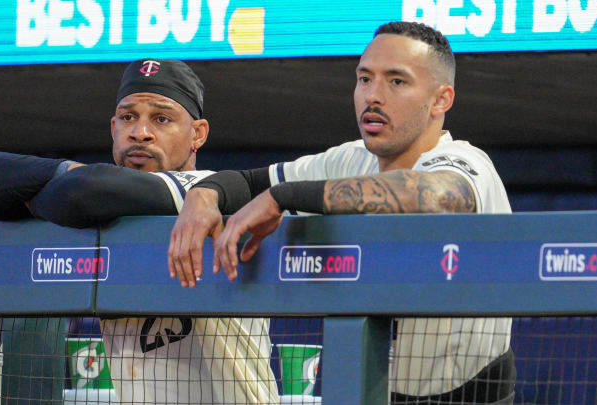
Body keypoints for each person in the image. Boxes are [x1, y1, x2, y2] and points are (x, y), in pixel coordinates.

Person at [168, 22, 516, 404]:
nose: (373, 96)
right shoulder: (351, 158)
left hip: (468, 394)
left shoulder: (464, 161)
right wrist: (204, 192)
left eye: (396, 81)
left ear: (440, 100)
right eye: (364, 79)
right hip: (368, 388)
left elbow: (436, 196)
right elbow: (250, 182)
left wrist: (283, 196)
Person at [0, 59, 278, 404]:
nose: (141, 132)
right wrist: (67, 171)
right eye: (128, 117)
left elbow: (87, 190)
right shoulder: (108, 207)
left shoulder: (207, 192)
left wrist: (40, 197)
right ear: (113, 128)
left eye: (161, 119)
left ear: (198, 133)